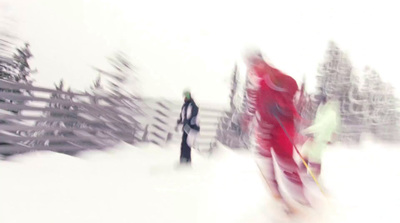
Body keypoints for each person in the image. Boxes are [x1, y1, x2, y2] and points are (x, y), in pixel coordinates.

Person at [240, 50, 310, 211]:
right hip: (264, 126)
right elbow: (252, 105)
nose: (254, 68)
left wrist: (281, 106)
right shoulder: (255, 84)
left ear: (262, 62)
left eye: (256, 63)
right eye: (251, 65)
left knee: (284, 159)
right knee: (265, 160)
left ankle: (300, 196)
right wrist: (246, 119)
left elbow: (293, 87)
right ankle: (277, 196)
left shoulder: (277, 77)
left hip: (282, 124)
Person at [300, 96, 341, 178]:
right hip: (318, 136)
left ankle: (313, 176)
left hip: (321, 138)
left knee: (314, 155)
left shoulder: (330, 113)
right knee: (307, 151)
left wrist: (309, 131)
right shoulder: (324, 110)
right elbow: (321, 124)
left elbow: (322, 126)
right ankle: (303, 172)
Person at [175, 90, 200, 164]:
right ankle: (183, 159)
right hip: (186, 127)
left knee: (187, 144)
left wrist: (189, 123)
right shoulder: (184, 106)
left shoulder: (193, 106)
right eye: (185, 96)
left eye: (187, 96)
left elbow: (193, 116)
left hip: (192, 128)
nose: (185, 97)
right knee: (184, 143)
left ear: (190, 96)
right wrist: (179, 122)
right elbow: (182, 116)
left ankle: (187, 161)